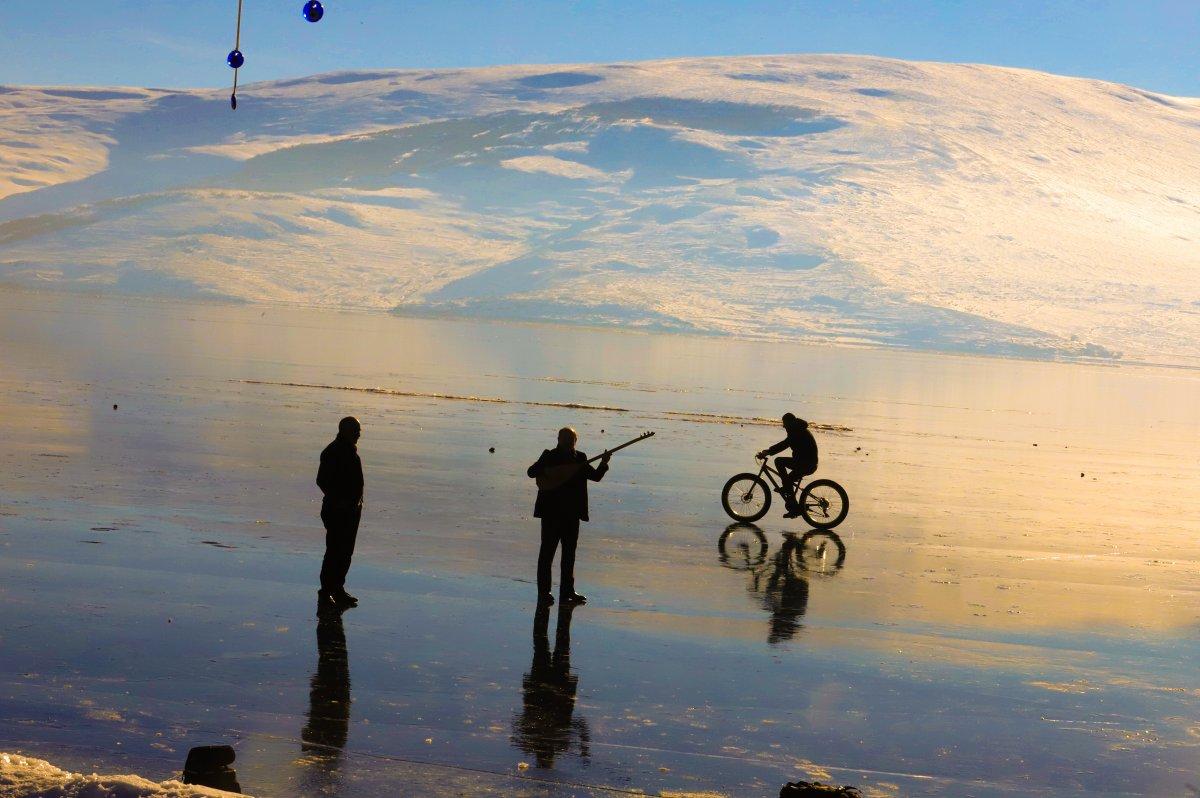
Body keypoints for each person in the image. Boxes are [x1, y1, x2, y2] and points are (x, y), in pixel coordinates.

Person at [527, 427, 610, 606]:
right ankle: (544, 592)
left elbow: (594, 477)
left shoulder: (580, 458)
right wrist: (546, 469)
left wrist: (603, 463)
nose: (569, 443)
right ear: (559, 440)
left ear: (575, 441)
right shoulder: (549, 456)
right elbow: (531, 472)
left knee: (569, 554)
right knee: (547, 554)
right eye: (566, 440)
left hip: (572, 514)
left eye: (571, 440)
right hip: (551, 514)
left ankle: (568, 591)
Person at [316, 416, 364, 610]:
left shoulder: (348, 451)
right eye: (356, 430)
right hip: (337, 511)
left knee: (345, 552)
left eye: (359, 431)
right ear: (345, 430)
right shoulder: (333, 451)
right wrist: (341, 502)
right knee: (335, 551)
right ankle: (326, 592)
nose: (359, 434)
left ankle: (338, 590)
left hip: (351, 511)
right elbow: (322, 481)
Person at [757, 413, 818, 518]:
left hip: (806, 464)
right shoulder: (798, 428)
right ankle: (794, 507)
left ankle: (790, 497)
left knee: (779, 461)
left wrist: (768, 451)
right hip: (805, 462)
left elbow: (785, 444)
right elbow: (787, 443)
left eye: (784, 423)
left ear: (790, 423)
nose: (783, 426)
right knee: (788, 481)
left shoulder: (797, 431)